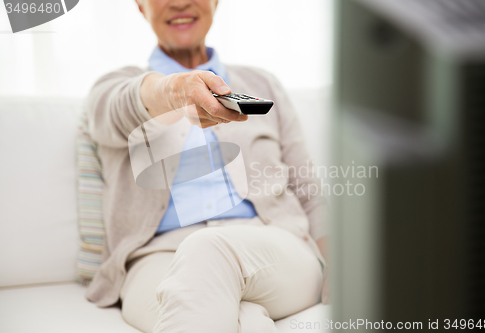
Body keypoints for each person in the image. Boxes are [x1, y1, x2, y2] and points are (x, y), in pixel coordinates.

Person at [85, 0, 330, 332]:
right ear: (140, 6)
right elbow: (119, 109)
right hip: (158, 258)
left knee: (207, 250)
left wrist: (339, 264)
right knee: (243, 321)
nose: (180, 2)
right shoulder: (113, 86)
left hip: (273, 247)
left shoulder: (263, 85)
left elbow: (308, 193)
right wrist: (175, 91)